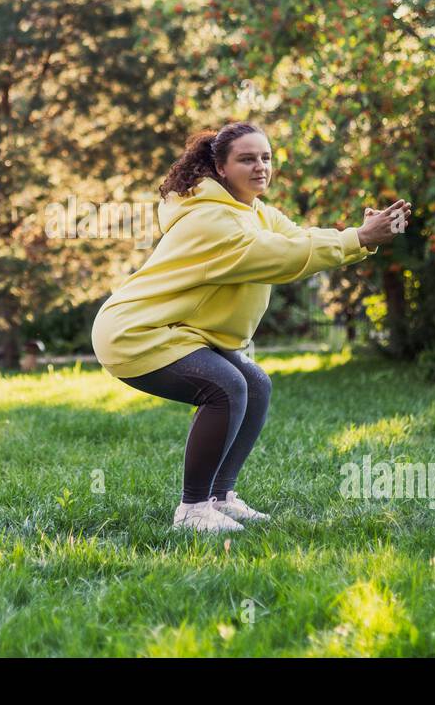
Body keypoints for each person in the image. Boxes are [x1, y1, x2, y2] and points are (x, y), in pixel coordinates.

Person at [90, 121, 412, 532]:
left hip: (180, 330)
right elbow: (277, 255)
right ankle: (191, 510)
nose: (260, 167)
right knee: (226, 387)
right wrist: (358, 238)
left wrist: (358, 240)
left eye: (266, 157)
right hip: (135, 333)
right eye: (247, 159)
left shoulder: (255, 211)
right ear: (221, 168)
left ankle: (219, 498)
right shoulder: (211, 221)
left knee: (255, 384)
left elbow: (298, 240)